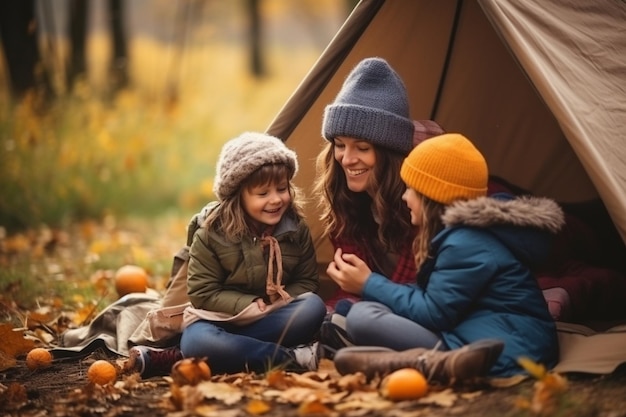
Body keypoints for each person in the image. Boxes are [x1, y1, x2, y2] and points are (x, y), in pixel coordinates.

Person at [329, 133, 562, 383]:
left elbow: (433, 312)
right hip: (475, 331)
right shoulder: (460, 236)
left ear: (432, 197)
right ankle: (413, 360)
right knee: (365, 312)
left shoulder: (466, 243)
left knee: (363, 319)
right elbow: (438, 299)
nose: (405, 197)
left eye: (411, 190)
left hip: (508, 350)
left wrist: (369, 283)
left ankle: (432, 363)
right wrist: (373, 289)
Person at [127, 132, 327, 377]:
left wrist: (278, 301)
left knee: (313, 307)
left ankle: (193, 356)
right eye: (263, 194)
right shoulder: (211, 233)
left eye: (282, 188)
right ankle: (292, 358)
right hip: (218, 319)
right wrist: (246, 304)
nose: (276, 199)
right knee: (200, 341)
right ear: (238, 195)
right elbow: (203, 292)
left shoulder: (296, 229)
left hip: (270, 316)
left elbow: (307, 282)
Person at [313, 57, 445, 354]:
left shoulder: (423, 203)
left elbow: (427, 297)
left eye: (362, 148)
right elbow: (354, 286)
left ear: (389, 154)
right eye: (340, 144)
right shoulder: (346, 197)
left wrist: (366, 286)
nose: (347, 159)